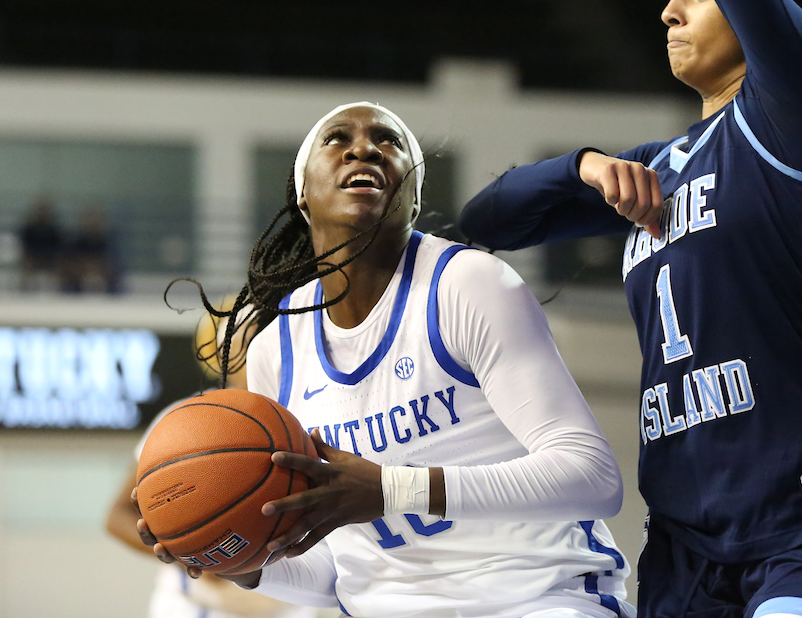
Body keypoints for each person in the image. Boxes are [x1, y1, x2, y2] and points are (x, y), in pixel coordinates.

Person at [458, 0, 802, 617]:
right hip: (685, 547)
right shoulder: (658, 169)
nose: (668, 11)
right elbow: (486, 220)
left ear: (760, 7)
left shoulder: (794, 113)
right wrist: (581, 166)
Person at [136, 103, 631, 618]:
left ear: (414, 197)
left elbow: (593, 477)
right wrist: (239, 560)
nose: (364, 148)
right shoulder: (274, 350)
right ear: (302, 192)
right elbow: (337, 573)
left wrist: (394, 488)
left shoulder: (466, 284)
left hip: (539, 601)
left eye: (388, 141)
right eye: (336, 138)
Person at [107, 305, 317, 618]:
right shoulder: (186, 420)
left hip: (287, 606)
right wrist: (191, 551)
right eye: (246, 345)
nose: (260, 353)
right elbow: (117, 516)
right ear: (225, 355)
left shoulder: (313, 419)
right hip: (198, 606)